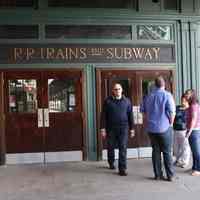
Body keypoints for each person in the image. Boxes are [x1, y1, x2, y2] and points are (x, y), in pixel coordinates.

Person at [141, 76, 176, 181]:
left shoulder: (147, 96)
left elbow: (143, 111)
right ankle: (170, 176)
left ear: (155, 85)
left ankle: (157, 175)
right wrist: (171, 123)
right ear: (164, 84)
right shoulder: (167, 95)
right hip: (165, 128)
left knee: (155, 151)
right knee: (167, 152)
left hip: (151, 129)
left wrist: (148, 121)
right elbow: (172, 112)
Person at [100, 83, 135, 176]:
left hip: (124, 128)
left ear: (122, 90)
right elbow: (103, 116)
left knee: (123, 147)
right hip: (111, 128)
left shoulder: (127, 101)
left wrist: (132, 128)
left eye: (119, 89)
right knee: (110, 146)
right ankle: (111, 162)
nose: (117, 91)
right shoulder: (107, 101)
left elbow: (130, 116)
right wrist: (102, 129)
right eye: (115, 89)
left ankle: (122, 169)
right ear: (113, 91)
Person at [173, 94, 190, 168]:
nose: (182, 102)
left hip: (184, 130)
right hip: (175, 129)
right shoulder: (177, 108)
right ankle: (178, 160)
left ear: (187, 101)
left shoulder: (189, 109)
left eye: (184, 101)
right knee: (176, 147)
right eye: (182, 100)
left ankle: (185, 162)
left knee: (185, 147)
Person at [185, 90, 200, 176]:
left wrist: (189, 131)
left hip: (194, 131)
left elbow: (194, 119)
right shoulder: (193, 105)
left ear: (192, 95)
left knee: (196, 151)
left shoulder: (194, 105)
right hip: (194, 130)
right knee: (194, 151)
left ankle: (198, 169)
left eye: (188, 94)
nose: (186, 95)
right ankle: (195, 167)